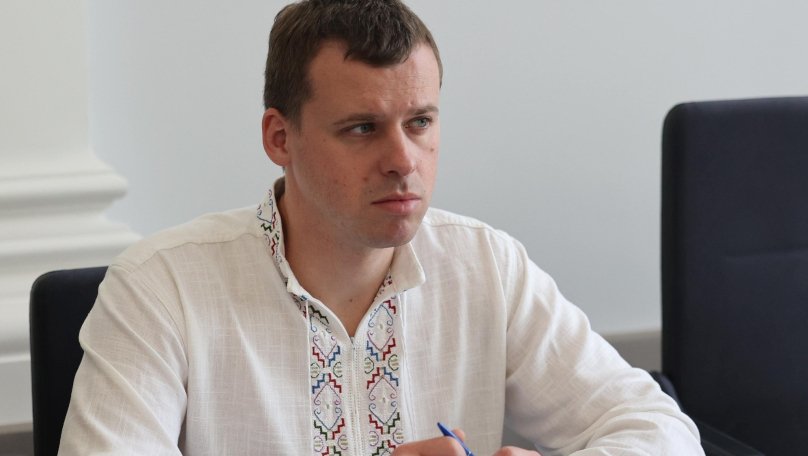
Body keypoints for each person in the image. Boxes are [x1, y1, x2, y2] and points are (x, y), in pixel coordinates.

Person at [59, 1, 704, 455]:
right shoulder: (160, 288)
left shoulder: (487, 266)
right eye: (362, 128)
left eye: (420, 122)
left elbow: (660, 430)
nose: (403, 160)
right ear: (280, 138)